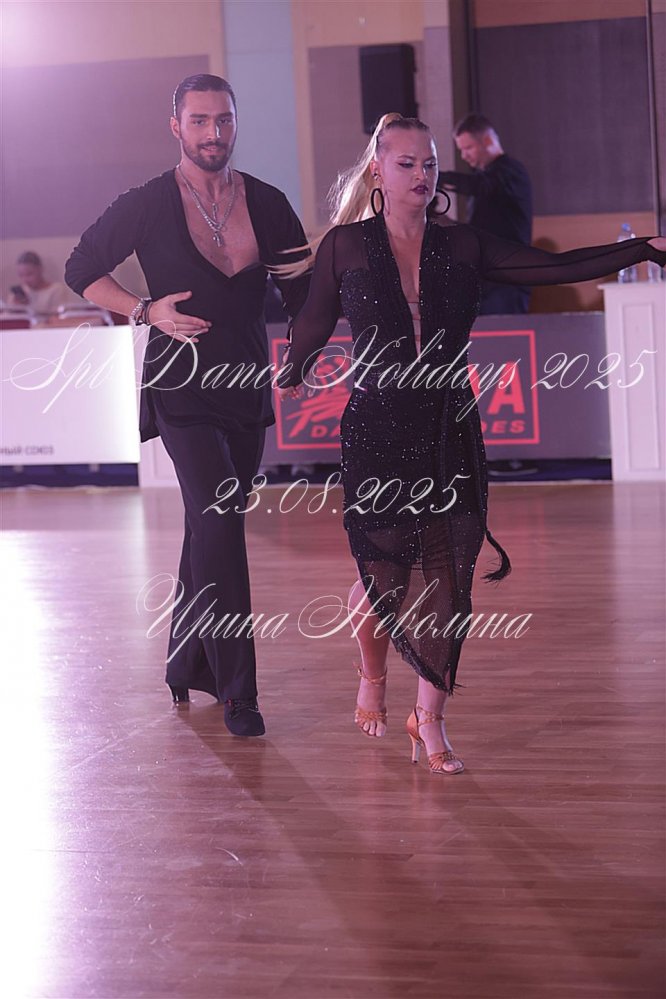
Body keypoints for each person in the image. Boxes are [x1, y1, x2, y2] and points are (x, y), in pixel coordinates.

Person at [278, 113, 665, 774]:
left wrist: (644, 249)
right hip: (376, 429)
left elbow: (556, 267)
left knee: (450, 577)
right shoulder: (345, 246)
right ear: (378, 169)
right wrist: (289, 372)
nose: (422, 175)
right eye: (407, 164)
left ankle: (429, 717)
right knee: (382, 580)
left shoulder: (462, 245)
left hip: (448, 427)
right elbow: (312, 322)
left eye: (430, 164)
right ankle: (372, 673)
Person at [65, 74, 310, 736]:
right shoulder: (146, 203)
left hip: (246, 385)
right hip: (180, 386)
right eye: (199, 120)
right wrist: (144, 310)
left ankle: (185, 662)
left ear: (236, 122)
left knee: (211, 525)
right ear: (175, 125)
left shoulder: (268, 202)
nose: (212, 132)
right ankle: (239, 692)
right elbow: (81, 268)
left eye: (223, 119)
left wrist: (302, 354)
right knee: (220, 520)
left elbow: (304, 291)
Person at [439, 113, 533, 315]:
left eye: (468, 148)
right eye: (461, 150)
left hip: (508, 281)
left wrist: (437, 177)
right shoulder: (485, 181)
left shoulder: (511, 172)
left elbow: (481, 186)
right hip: (487, 280)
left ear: (488, 140)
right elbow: (482, 231)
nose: (464, 156)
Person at [7, 251, 76, 320]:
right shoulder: (18, 293)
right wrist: (14, 309)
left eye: (29, 274)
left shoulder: (56, 290)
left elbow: (59, 317)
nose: (25, 279)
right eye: (21, 275)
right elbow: (8, 318)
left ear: (40, 270)